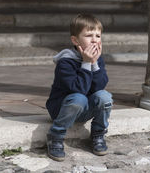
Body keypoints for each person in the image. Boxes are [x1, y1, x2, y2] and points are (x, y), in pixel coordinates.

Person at [45, 14, 112, 162]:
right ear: (75, 40)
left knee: (104, 96)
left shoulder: (97, 59)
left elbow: (99, 87)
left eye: (98, 36)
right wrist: (86, 63)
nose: (94, 39)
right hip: (61, 109)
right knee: (79, 98)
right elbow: (78, 89)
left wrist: (94, 63)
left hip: (83, 110)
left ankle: (98, 133)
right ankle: (55, 136)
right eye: (89, 35)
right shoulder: (66, 62)